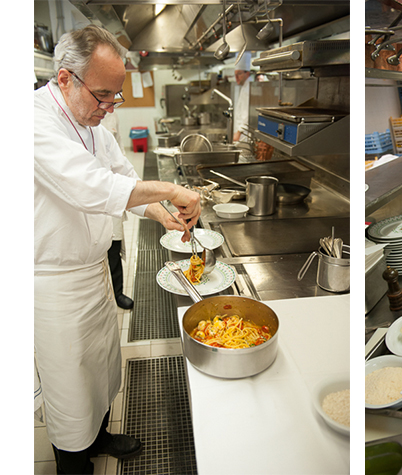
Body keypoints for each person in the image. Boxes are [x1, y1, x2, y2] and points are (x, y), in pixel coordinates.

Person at [35, 25, 201, 474]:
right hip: (53, 285)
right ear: (66, 78)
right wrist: (170, 188)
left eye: (116, 98)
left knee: (103, 367)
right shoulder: (33, 121)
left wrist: (161, 212)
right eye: (102, 96)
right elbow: (92, 188)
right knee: (70, 386)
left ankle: (101, 436)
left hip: (93, 273)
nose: (109, 109)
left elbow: (121, 176)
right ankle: (74, 463)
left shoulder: (92, 123)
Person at [102, 111, 134, 309]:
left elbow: (120, 154)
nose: (110, 107)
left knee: (113, 248)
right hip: (87, 203)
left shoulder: (111, 117)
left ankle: (118, 292)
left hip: (112, 193)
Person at [232, 52, 252, 143]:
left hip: (244, 135)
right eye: (235, 74)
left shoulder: (249, 89)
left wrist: (238, 133)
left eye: (239, 74)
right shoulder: (244, 87)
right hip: (242, 134)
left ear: (247, 73)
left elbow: (247, 114)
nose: (236, 77)